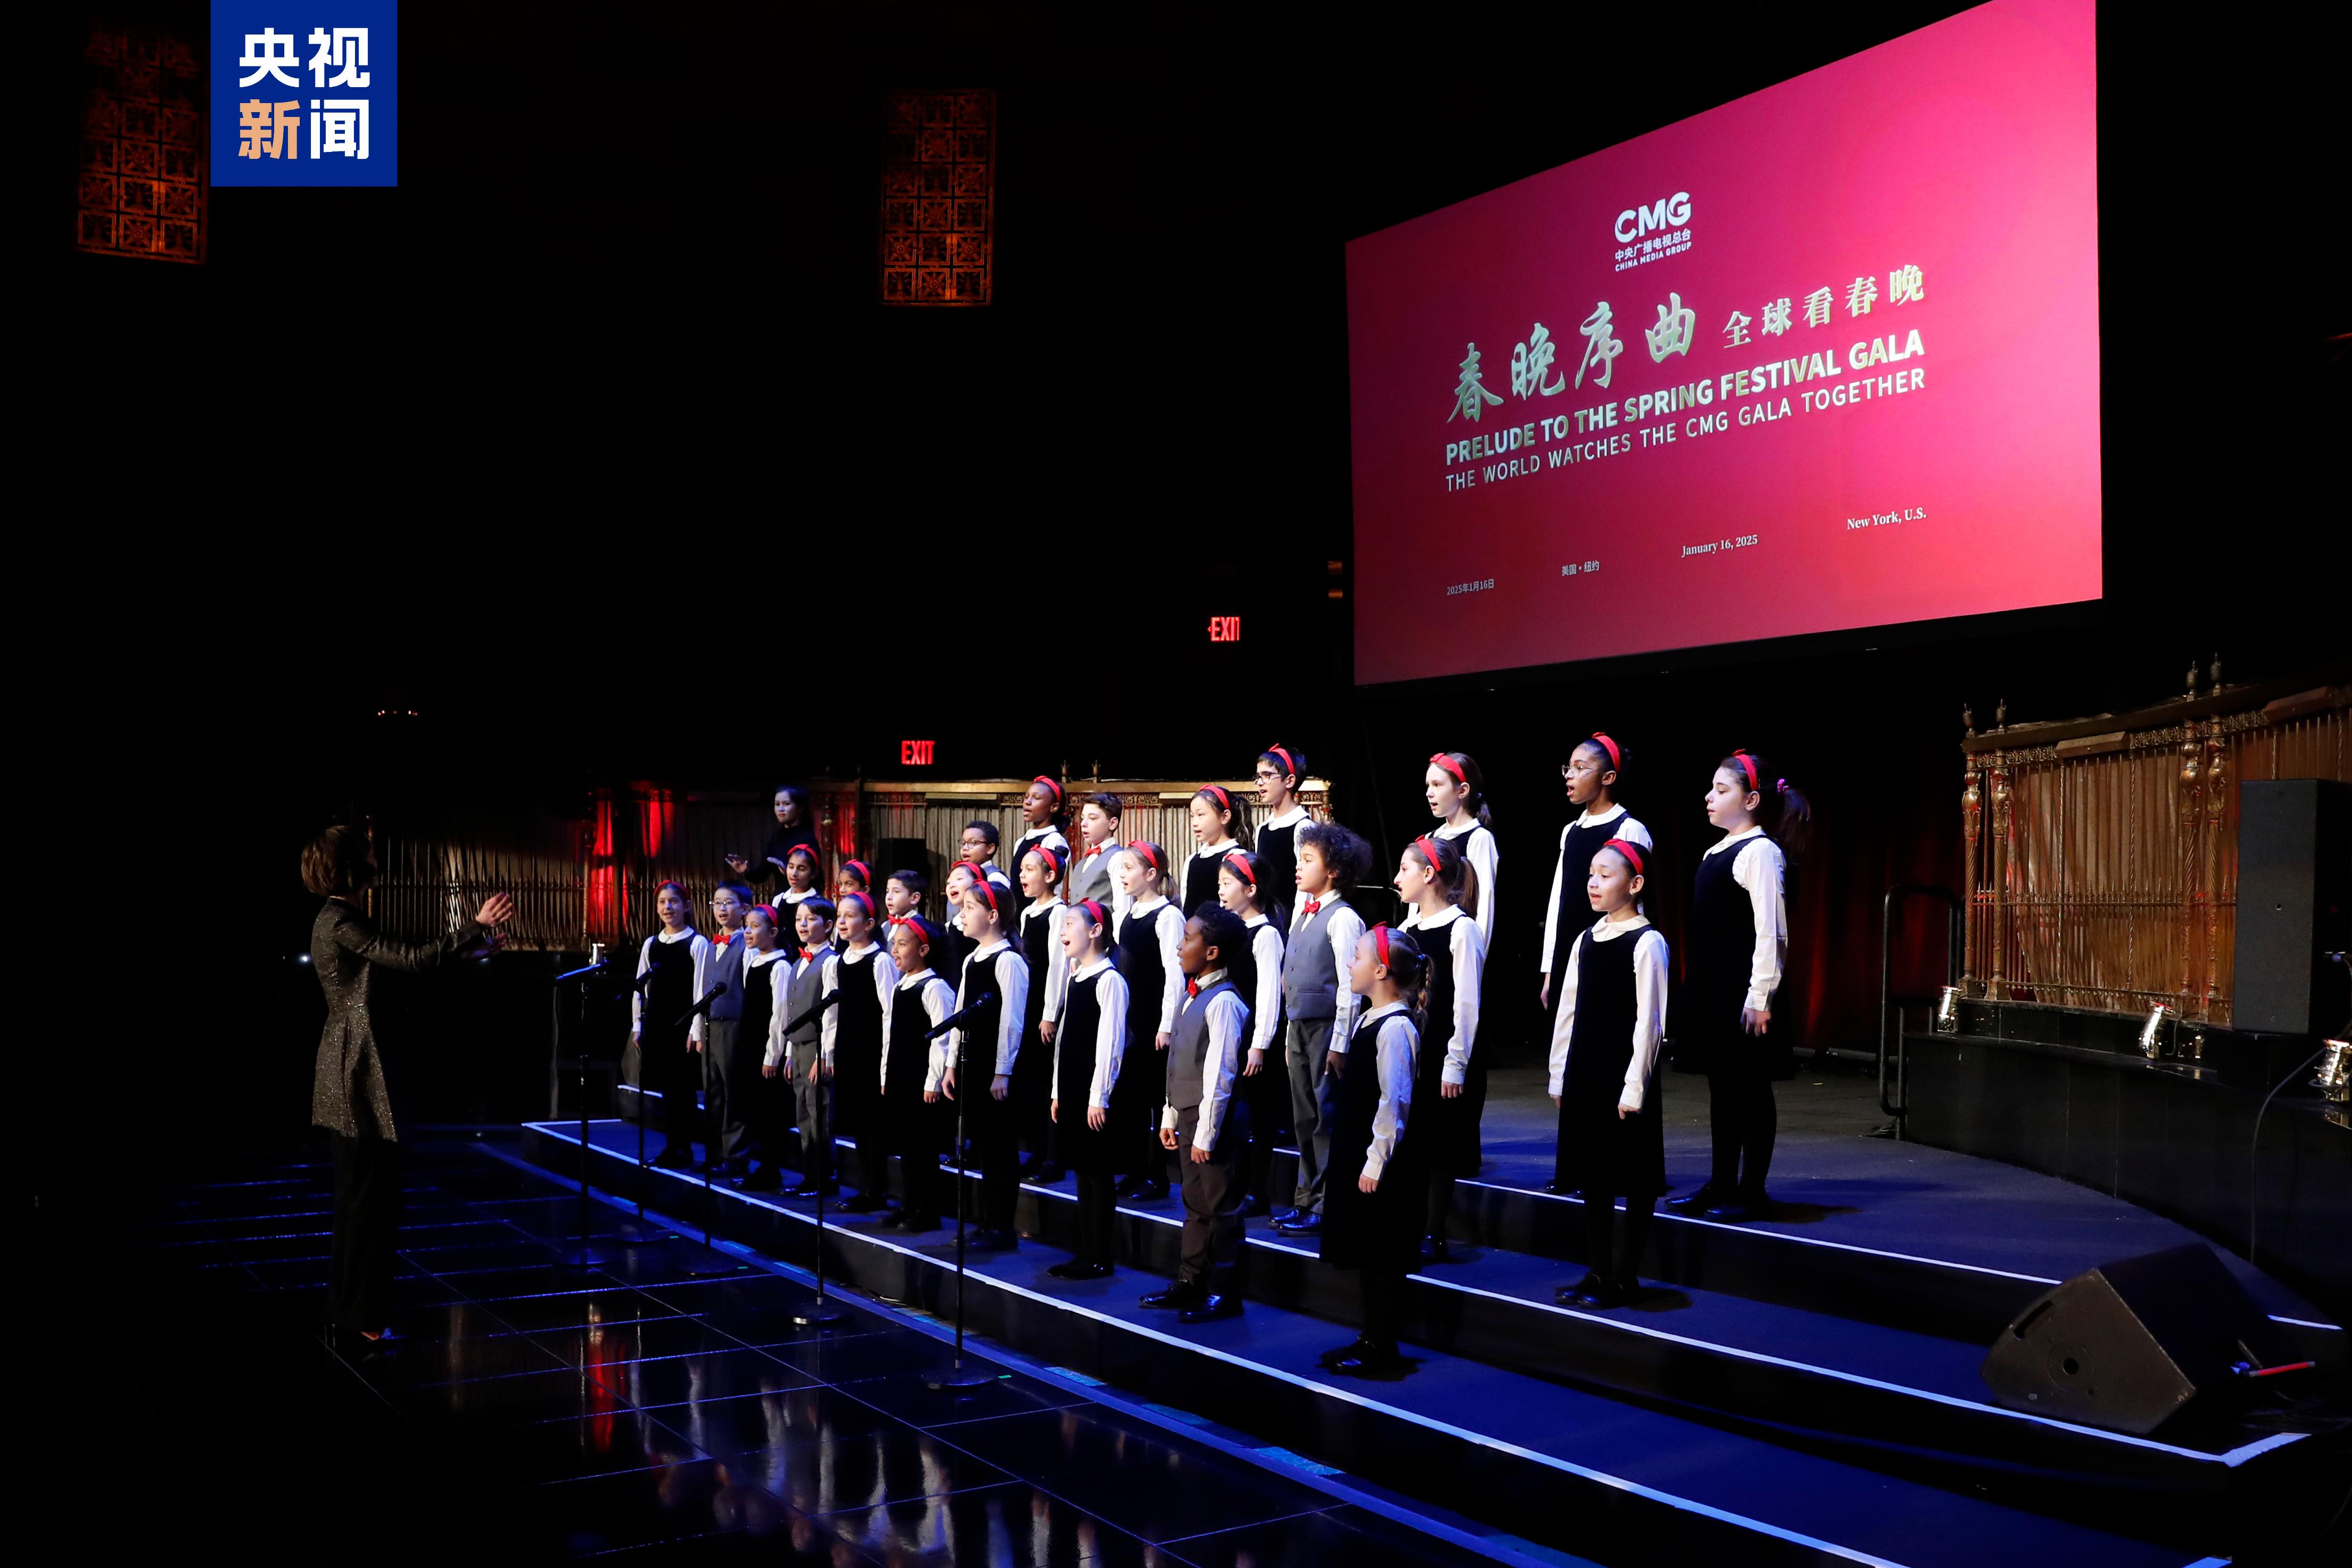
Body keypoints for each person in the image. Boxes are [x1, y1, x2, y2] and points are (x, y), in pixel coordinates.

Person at [302, 824, 511, 1345]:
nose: (377, 860)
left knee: (362, 1198)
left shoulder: (342, 918)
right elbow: (410, 959)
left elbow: (396, 972)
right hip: (357, 1069)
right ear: (352, 865)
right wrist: (474, 926)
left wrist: (466, 954)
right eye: (370, 853)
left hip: (357, 1063)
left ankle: (351, 1308)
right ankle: (362, 1314)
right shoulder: (340, 919)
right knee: (369, 1201)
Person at [1665, 752, 1808, 1224]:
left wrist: (1761, 995)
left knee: (1750, 1088)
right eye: (1712, 788)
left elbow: (1772, 930)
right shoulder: (1716, 852)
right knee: (1722, 1087)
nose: (1709, 796)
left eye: (1722, 790)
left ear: (1750, 800)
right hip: (1714, 990)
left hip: (1744, 993)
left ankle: (1752, 1191)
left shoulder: (1760, 852)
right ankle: (1722, 1182)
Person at [1549, 840, 1669, 1304]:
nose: (1593, 883)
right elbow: (1568, 1010)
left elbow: (1650, 1022)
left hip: (1624, 1076)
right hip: (1587, 1072)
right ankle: (1598, 1271)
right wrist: (1559, 1073)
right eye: (1591, 874)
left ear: (1635, 884)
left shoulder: (1647, 942)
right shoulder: (1586, 939)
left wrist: (1635, 1087)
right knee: (1594, 1176)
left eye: (1606, 874)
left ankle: (1625, 1276)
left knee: (1634, 1177)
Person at [1539, 734, 1651, 1194]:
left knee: (1607, 1058)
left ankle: (1614, 1164)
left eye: (1580, 767)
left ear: (1608, 777)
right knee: (1574, 1059)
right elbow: (1559, 900)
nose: (1570, 775)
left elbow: (1637, 899)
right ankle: (1575, 1165)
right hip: (1577, 949)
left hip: (1613, 952)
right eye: (1568, 767)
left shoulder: (1629, 827)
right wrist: (1550, 966)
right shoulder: (1571, 831)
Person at [1319, 924, 1426, 1376]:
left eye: (1358, 956)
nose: (1350, 963)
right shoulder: (1371, 1019)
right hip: (1358, 1152)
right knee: (1367, 1250)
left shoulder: (1396, 1027)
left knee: (1383, 1253)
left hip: (1380, 1161)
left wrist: (1377, 1160)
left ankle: (1383, 1345)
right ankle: (1370, 1336)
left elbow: (1394, 1100)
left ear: (1381, 971)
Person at [1142, 906, 1253, 1323]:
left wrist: (1206, 1133)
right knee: (1195, 1203)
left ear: (1211, 951)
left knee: (1222, 1207)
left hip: (1214, 1122)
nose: (1179, 945)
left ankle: (1224, 1291)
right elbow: (1178, 1062)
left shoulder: (1223, 1001)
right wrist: (1170, 1115)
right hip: (1188, 1114)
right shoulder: (1192, 995)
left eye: (1187, 938)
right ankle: (1191, 1280)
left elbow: (1221, 1074)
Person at [1274, 820, 1369, 1236]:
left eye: (1308, 859)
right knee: (1304, 1116)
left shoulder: (1342, 918)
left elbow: (1350, 986)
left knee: (1325, 1116)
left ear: (1333, 870)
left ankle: (1325, 1200)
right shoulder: (1303, 913)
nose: (1298, 866)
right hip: (1300, 1027)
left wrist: (1341, 1042)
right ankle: (1304, 1198)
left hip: (1327, 1029)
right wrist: (1288, 1030)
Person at [1394, 835, 1485, 1263]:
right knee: (1413, 1140)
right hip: (1412, 1051)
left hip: (1443, 1050)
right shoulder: (1407, 930)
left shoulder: (1462, 929)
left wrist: (1456, 1062)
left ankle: (1435, 1231)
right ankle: (1411, 1225)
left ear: (1429, 875)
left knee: (1441, 1144)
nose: (1397, 879)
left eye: (1405, 870)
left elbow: (1467, 1002)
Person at [949, 876, 1031, 1249]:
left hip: (998, 1068)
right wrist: (951, 1064)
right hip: (974, 1061)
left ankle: (1002, 1227)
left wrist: (1003, 1071)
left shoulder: (1009, 960)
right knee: (983, 1146)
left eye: (970, 908)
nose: (962, 915)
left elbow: (1012, 1020)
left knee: (1000, 1148)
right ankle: (986, 1222)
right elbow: (961, 1013)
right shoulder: (972, 959)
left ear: (993, 915)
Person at [1048, 900, 1128, 1279]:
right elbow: (1064, 1040)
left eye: (1070, 924)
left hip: (1095, 1093)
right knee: (1082, 1171)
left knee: (1098, 1172)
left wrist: (1100, 1097)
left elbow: (1111, 1043)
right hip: (1073, 1088)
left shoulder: (1109, 980)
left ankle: (1100, 1255)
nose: (1063, 931)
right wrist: (1057, 1091)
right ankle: (1085, 1250)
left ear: (1095, 931)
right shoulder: (1075, 976)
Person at [1216, 849, 1288, 1218]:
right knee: (1235, 1116)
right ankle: (1234, 1186)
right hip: (1233, 1036)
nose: (1221, 890)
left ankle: (1258, 1192)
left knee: (1259, 1120)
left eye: (1228, 883)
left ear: (1251, 889)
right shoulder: (1232, 932)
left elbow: (1270, 994)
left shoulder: (1266, 934)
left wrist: (1259, 1045)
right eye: (1220, 883)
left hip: (1256, 1040)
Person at [1112, 842, 1184, 1201]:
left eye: (1129, 868)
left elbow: (1175, 975)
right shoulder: (1130, 914)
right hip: (1132, 1020)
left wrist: (1167, 1024)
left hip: (1154, 1018)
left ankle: (1158, 1175)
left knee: (1155, 1099)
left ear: (1151, 874)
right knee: (1134, 1099)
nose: (1122, 875)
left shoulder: (1167, 916)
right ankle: (1136, 1168)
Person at [878, 914, 956, 1231]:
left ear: (924, 950)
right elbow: (891, 1035)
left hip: (922, 1080)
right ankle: (909, 1204)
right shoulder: (901, 985)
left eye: (902, 944)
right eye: (894, 944)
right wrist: (886, 1075)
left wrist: (933, 1080)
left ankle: (928, 1211)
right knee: (907, 1145)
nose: (895, 951)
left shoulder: (935, 988)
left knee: (924, 1148)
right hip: (901, 1077)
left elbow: (944, 1038)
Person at [631, 880, 710, 1169]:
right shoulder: (651, 944)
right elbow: (641, 987)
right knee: (666, 1089)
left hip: (683, 1024)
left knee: (683, 1090)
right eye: (663, 902)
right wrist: (637, 1024)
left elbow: (701, 990)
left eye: (674, 902)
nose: (668, 907)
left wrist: (696, 1028)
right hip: (658, 1023)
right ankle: (671, 1146)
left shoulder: (697, 943)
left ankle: (684, 1148)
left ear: (686, 906)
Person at [828, 892, 898, 1213]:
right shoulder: (838, 961)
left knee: (873, 1124)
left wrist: (887, 1059)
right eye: (840, 916)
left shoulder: (880, 961)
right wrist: (828, 1053)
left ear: (869, 924)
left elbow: (890, 1013)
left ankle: (877, 1189)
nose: (842, 922)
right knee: (857, 1122)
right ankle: (865, 1186)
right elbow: (833, 1013)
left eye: (850, 916)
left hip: (872, 1051)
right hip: (848, 1049)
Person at [763, 895, 837, 1196]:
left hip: (817, 1049)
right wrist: (790, 1052)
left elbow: (831, 1014)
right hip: (799, 1047)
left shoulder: (830, 962)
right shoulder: (797, 962)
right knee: (803, 1114)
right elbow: (792, 1012)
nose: (803, 925)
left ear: (828, 925)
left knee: (820, 1114)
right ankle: (810, 1175)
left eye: (810, 919)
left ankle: (824, 1178)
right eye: (798, 920)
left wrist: (825, 1055)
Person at [1016, 845, 1070, 1182]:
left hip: (1046, 1007)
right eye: (1021, 869)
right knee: (1033, 1083)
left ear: (1050, 876)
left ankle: (1054, 1157)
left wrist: (1050, 1012)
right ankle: (1036, 1150)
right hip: (1029, 1004)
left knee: (1049, 1082)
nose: (1022, 875)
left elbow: (1058, 967)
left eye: (1030, 870)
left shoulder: (1058, 913)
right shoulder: (1027, 913)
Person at [691, 882, 755, 1175]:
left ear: (745, 909)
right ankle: (714, 1153)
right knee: (712, 1091)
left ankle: (736, 1155)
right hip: (710, 1025)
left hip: (734, 1026)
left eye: (728, 903)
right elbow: (700, 990)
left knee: (734, 1091)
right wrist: (696, 1029)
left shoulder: (747, 946)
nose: (722, 908)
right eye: (717, 903)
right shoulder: (710, 945)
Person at [735, 903, 794, 1190]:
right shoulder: (753, 960)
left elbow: (780, 1013)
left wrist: (773, 1054)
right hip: (750, 1044)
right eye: (746, 926)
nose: (748, 932)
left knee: (770, 1111)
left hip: (767, 1047)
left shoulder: (780, 966)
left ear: (773, 932)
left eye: (755, 927)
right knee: (756, 1109)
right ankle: (762, 1165)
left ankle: (772, 1169)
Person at [1425, 751, 1499, 951]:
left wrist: (1477, 954)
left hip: (1457, 945)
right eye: (1428, 785)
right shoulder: (1431, 838)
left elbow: (1484, 902)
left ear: (1463, 790)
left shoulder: (1478, 838)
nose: (1429, 793)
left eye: (1437, 785)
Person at [1251, 744, 1310, 928]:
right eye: (1258, 777)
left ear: (1289, 781)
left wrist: (1296, 929)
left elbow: (1305, 888)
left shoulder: (1302, 827)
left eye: (1267, 776)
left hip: (1290, 922)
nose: (1260, 782)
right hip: (1266, 921)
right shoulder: (1263, 829)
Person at [726, 784, 821, 892]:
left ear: (800, 808)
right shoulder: (777, 837)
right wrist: (745, 871)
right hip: (781, 897)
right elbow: (761, 875)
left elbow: (814, 878)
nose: (781, 809)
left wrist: (788, 871)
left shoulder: (807, 839)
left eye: (786, 804)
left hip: (802, 897)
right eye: (777, 804)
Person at [1180, 785, 1250, 918]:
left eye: (1201, 815)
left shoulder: (1235, 857)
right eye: (1192, 816)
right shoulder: (1192, 861)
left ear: (1225, 817)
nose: (1194, 823)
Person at [1067, 792, 1126, 915]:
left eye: (1093, 818)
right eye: (1083, 818)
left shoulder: (1117, 858)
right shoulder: (1083, 862)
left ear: (1112, 823)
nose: (1083, 824)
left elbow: (1122, 909)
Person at [1011, 776, 1072, 874]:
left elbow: (1055, 881)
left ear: (1054, 807)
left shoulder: (1054, 841)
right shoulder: (1021, 842)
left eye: (1036, 798)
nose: (1027, 802)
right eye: (1026, 797)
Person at [958, 820, 1013, 891]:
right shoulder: (963, 876)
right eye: (963, 843)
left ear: (990, 848)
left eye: (972, 843)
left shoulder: (995, 878)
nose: (965, 848)